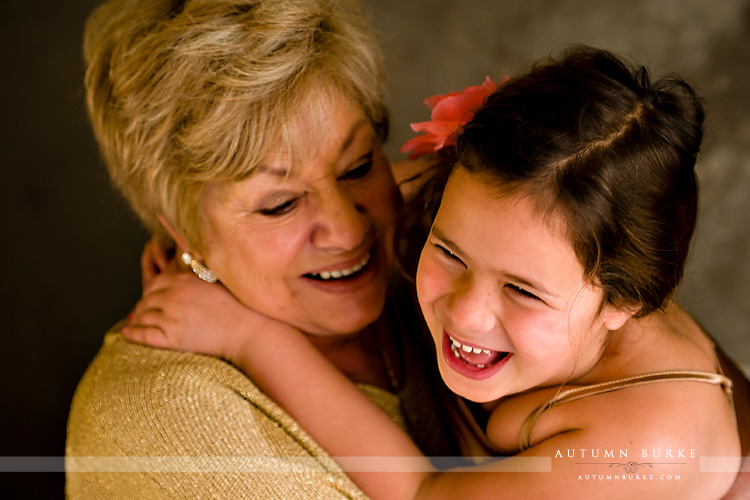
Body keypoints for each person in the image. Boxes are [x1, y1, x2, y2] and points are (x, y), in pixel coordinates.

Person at [126, 46, 750, 499]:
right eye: (448, 252)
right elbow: (371, 201)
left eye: (521, 290)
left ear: (622, 302)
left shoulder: (646, 446)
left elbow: (426, 494)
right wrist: (215, 227)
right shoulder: (512, 216)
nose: (465, 311)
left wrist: (250, 338)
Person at [65, 0, 458, 498]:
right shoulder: (165, 418)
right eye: (279, 205)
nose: (346, 230)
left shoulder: (441, 252)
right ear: (183, 233)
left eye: (358, 167)